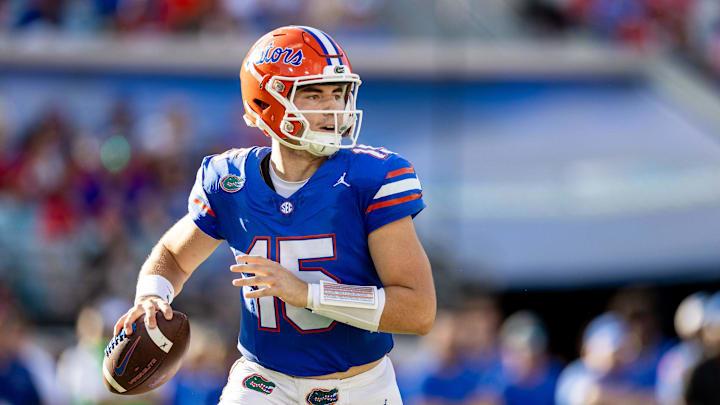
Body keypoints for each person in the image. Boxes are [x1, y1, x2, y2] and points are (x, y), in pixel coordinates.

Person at [112, 25, 436, 405]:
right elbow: (172, 256)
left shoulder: (370, 178)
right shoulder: (231, 181)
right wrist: (152, 295)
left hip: (359, 388)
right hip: (264, 384)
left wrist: (306, 294)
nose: (333, 108)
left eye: (338, 93)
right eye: (314, 94)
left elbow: (418, 310)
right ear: (268, 101)